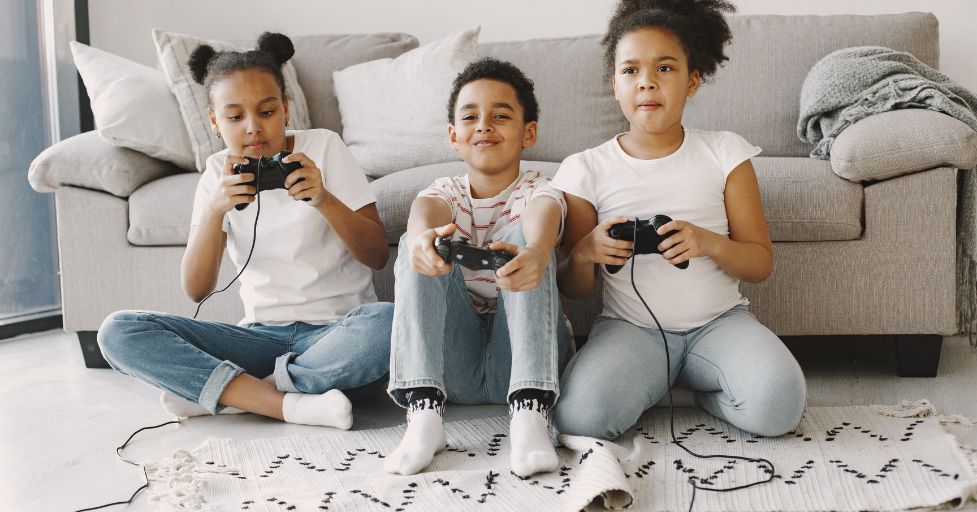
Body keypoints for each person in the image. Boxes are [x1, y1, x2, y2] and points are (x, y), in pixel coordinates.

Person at [97, 32, 392, 429]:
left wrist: (323, 199)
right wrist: (216, 209)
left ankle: (240, 396)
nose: (253, 128)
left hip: (334, 334)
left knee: (388, 323)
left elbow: (376, 255)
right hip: (257, 338)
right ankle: (288, 402)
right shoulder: (216, 174)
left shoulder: (324, 147)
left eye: (267, 112)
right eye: (235, 117)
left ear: (285, 109)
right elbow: (196, 289)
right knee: (119, 331)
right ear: (215, 122)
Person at [551, 0, 806, 440]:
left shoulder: (726, 153)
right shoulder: (583, 169)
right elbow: (575, 290)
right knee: (580, 420)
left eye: (664, 68)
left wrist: (708, 243)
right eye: (630, 71)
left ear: (692, 81)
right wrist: (584, 254)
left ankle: (695, 391)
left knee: (779, 407)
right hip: (631, 330)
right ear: (614, 85)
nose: (646, 82)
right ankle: (661, 380)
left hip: (720, 323)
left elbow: (760, 264)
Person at [383, 58, 573, 477]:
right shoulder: (445, 192)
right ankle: (423, 416)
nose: (484, 125)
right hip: (455, 368)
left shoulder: (541, 189)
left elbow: (544, 216)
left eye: (500, 116)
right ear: (454, 136)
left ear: (529, 133)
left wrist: (539, 250)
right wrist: (421, 243)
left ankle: (530, 416)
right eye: (471, 117)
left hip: (524, 361)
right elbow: (423, 212)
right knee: (423, 240)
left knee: (526, 243)